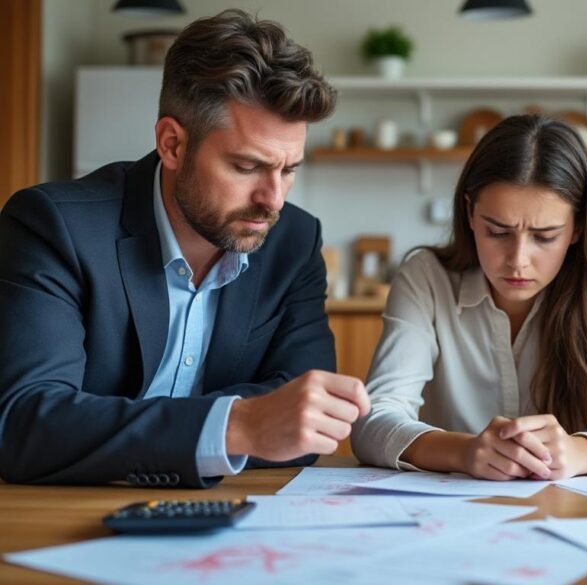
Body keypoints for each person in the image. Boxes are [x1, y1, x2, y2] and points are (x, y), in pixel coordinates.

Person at [0, 10, 369, 488]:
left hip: (231, 514)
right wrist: (240, 425)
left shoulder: (294, 241)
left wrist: (104, 426)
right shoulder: (54, 225)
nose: (273, 199)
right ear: (172, 144)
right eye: (246, 166)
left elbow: (303, 420)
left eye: (289, 169)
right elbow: (25, 423)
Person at [350, 115, 587, 480]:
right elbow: (373, 422)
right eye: (497, 232)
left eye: (544, 237)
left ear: (576, 227)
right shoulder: (426, 276)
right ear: (469, 214)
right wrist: (463, 452)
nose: (518, 260)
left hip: (567, 506)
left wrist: (581, 451)